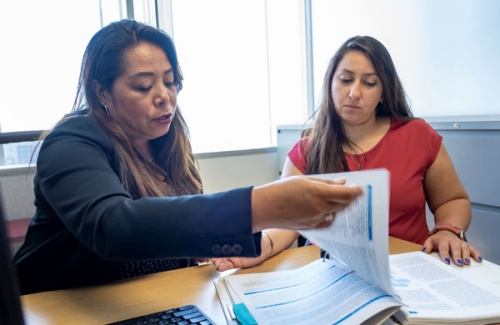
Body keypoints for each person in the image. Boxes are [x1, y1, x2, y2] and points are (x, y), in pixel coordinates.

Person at [12, 19, 363, 295]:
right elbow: (113, 226)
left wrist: (231, 249)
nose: (164, 97)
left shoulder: (168, 138)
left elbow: (175, 227)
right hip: (58, 305)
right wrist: (261, 205)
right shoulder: (72, 141)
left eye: (170, 81)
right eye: (143, 86)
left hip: (149, 298)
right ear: (101, 91)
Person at [212, 35, 483, 273]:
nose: (354, 93)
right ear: (330, 84)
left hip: (411, 270)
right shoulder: (306, 151)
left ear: (383, 93)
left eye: (369, 83)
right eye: (345, 80)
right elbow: (287, 222)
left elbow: (453, 199)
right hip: (331, 275)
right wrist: (264, 244)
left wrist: (448, 230)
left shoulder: (418, 135)